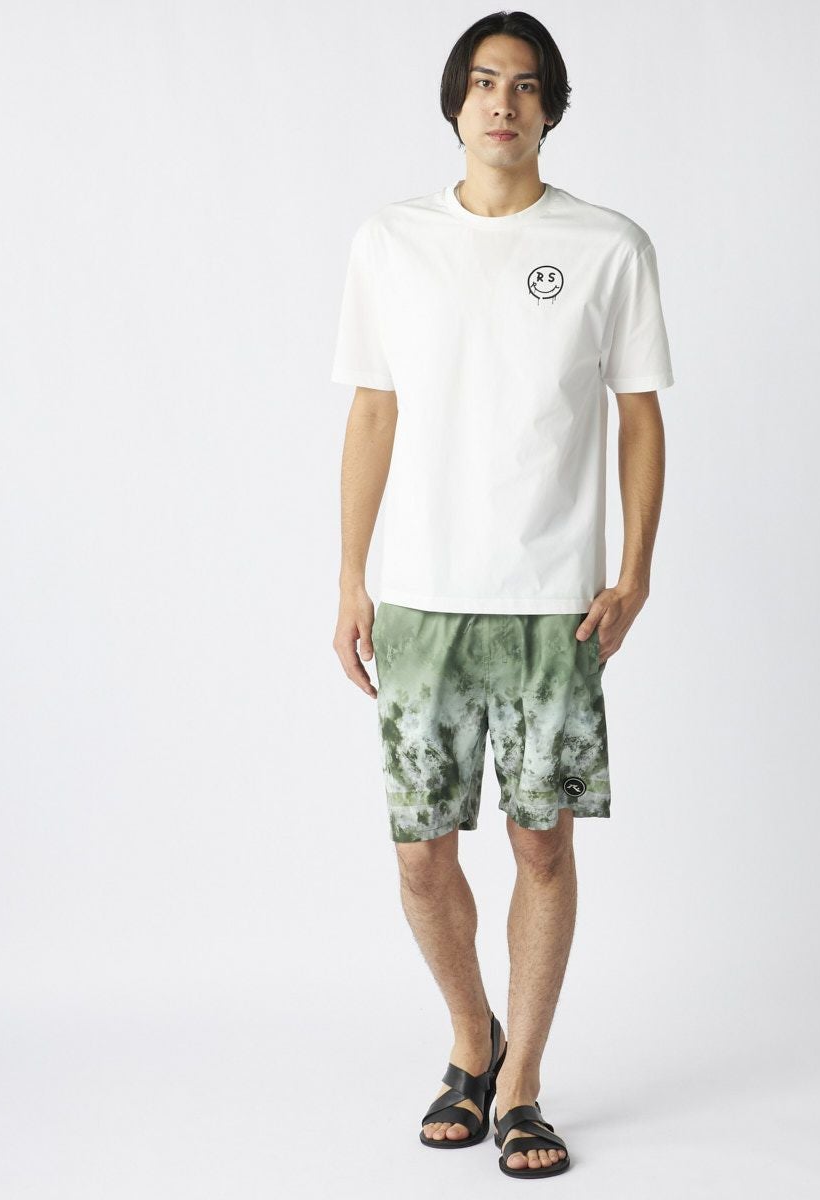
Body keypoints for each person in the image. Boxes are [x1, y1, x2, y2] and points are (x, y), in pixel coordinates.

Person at [330, 10, 674, 1179]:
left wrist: (634, 571)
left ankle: (519, 1084)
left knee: (541, 848)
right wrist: (350, 577)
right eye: (483, 82)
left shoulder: (606, 246)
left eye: (525, 86)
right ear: (454, 102)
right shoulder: (391, 240)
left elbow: (639, 416)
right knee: (420, 856)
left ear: (550, 110)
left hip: (549, 603)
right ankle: (468, 1037)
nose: (502, 103)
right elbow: (371, 410)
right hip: (420, 601)